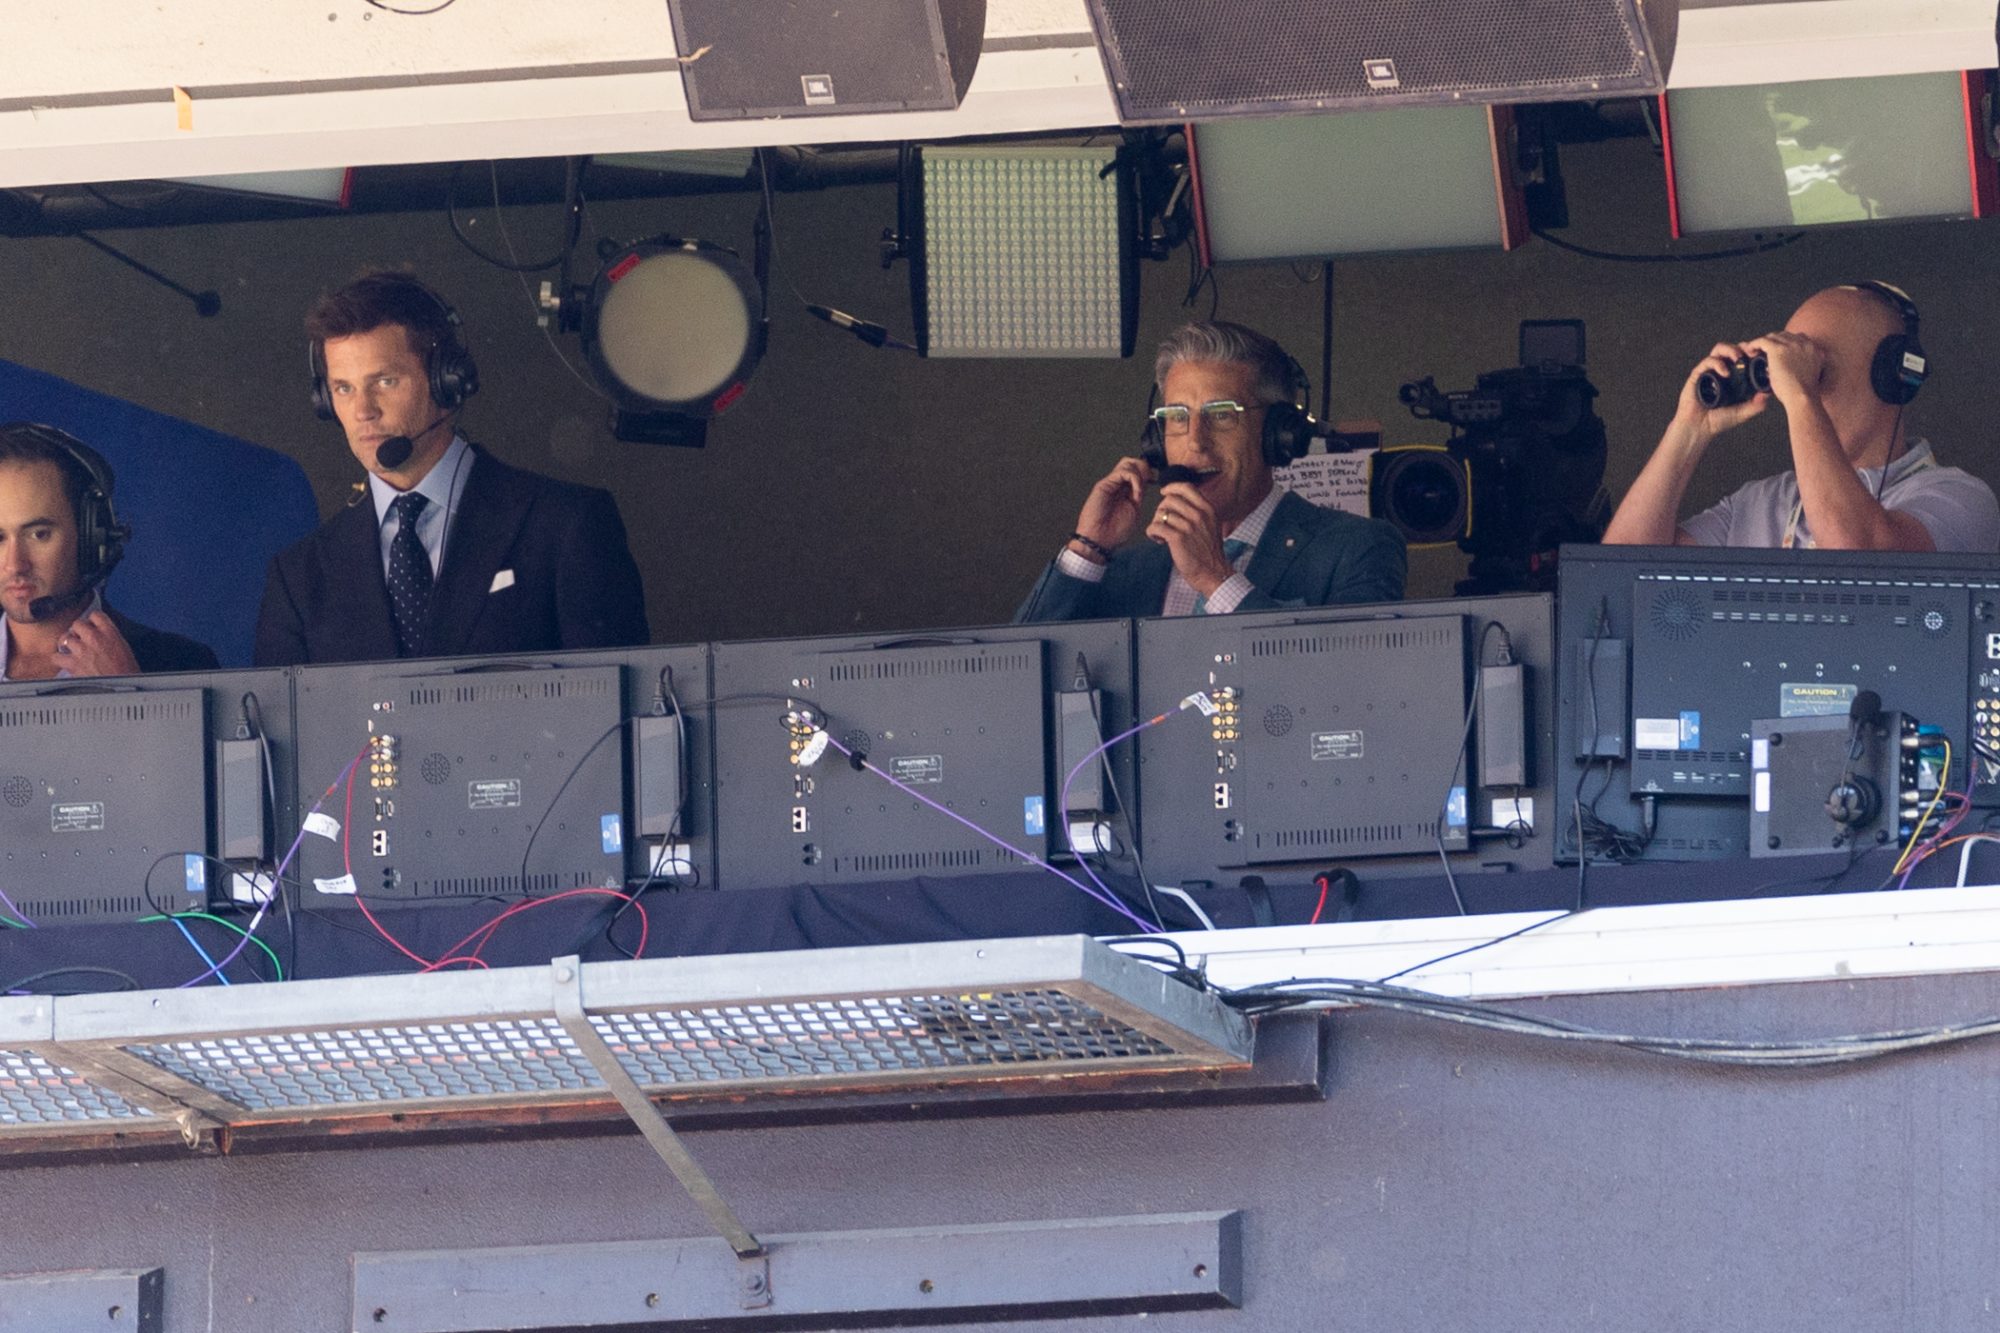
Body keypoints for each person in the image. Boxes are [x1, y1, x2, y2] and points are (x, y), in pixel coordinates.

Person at [255, 270, 649, 666]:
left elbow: (614, 708)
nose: (362, 411)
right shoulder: (299, 577)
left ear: (448, 380)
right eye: (343, 388)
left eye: (386, 381)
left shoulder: (566, 527)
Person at [1017, 321, 1406, 622]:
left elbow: (1347, 682)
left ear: (1278, 435)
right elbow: (1018, 684)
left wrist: (1215, 579)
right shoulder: (1124, 570)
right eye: (1177, 418)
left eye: (1221, 416)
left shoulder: (1358, 549)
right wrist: (1087, 548)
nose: (1195, 442)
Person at [1603, 282, 1999, 552]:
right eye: (1784, 375)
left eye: (1815, 372)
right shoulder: (1759, 503)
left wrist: (1800, 395)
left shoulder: (1959, 499)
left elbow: (1858, 560)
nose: (1791, 390)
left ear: (1891, 379)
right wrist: (1688, 431)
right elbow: (1621, 574)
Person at [0, 422, 218, 679]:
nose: (14, 564)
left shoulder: (182, 663)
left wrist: (131, 694)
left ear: (91, 536)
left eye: (39, 534)